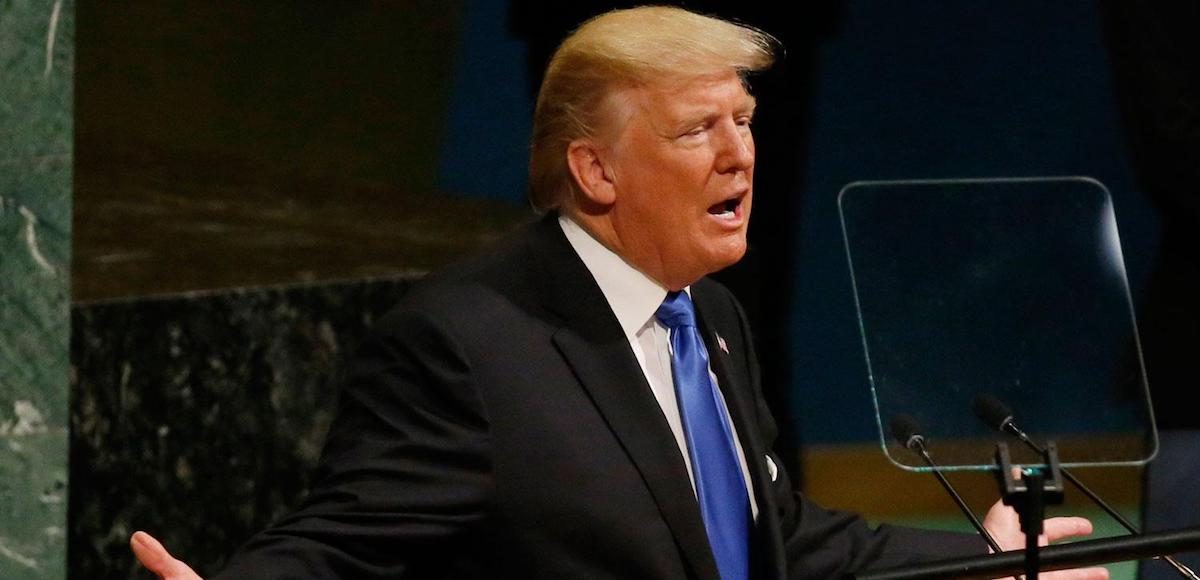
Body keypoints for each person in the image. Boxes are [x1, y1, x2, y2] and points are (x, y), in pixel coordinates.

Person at [130, 7, 1106, 579]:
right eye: (697, 130)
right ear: (595, 173)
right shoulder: (467, 342)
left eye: (745, 119)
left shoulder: (707, 314)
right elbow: (344, 545)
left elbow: (779, 539)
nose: (740, 154)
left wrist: (981, 564)